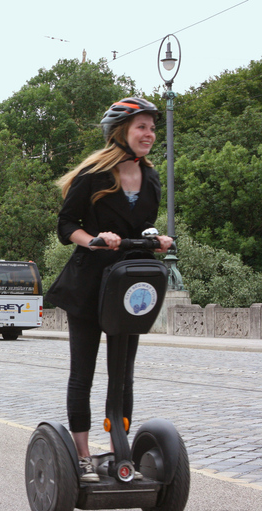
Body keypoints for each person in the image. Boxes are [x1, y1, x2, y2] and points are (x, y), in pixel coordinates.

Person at [45, 98, 173, 483]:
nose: (149, 134)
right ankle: (83, 455)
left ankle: (121, 447)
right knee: (82, 373)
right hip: (88, 285)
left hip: (128, 286)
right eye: (141, 128)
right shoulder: (94, 174)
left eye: (152, 128)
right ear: (121, 132)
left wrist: (155, 239)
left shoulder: (150, 177)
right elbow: (66, 225)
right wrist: (95, 239)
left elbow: (143, 226)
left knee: (123, 373)